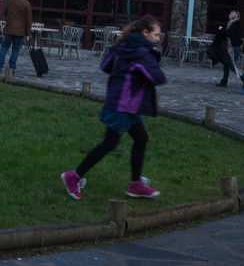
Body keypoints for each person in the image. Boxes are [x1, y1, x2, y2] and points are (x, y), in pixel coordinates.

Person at [61, 15, 168, 201]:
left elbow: (106, 65)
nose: (158, 39)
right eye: (156, 35)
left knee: (141, 138)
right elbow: (158, 78)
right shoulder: (142, 52)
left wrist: (125, 73)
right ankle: (73, 176)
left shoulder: (123, 45)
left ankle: (135, 184)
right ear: (145, 33)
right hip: (122, 105)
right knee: (110, 143)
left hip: (124, 102)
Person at [0, 0, 33, 75]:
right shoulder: (27, 4)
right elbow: (29, 21)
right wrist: (28, 34)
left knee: (4, 48)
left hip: (9, 30)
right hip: (20, 32)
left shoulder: (10, 0)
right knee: (15, 50)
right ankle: (11, 68)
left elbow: (5, 12)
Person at [210, 9, 243, 88]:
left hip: (233, 47)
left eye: (230, 14)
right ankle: (224, 81)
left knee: (232, 65)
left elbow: (229, 34)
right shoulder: (231, 23)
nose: (229, 15)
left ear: (234, 15)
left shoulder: (235, 24)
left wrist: (222, 29)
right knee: (226, 64)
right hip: (229, 47)